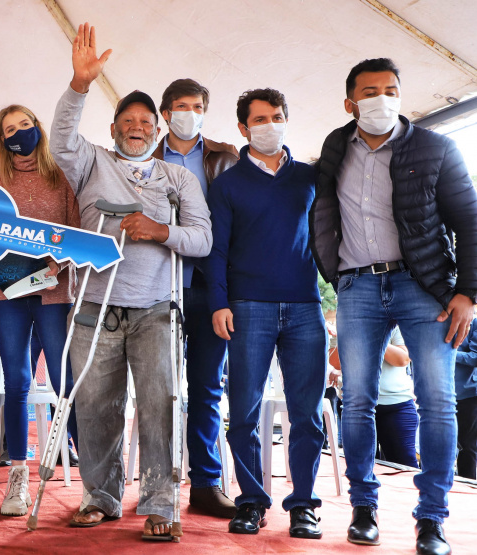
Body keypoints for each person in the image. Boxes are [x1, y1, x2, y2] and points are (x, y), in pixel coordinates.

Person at [49, 23, 211, 540]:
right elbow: (61, 138)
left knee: (160, 403)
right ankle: (100, 495)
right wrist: (79, 84)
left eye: (145, 121)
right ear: (115, 126)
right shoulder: (90, 161)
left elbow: (202, 239)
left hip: (155, 310)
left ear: (158, 130)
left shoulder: (177, 178)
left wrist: (162, 230)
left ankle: (162, 501)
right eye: (127, 120)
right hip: (93, 305)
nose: (136, 127)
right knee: (96, 406)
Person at [310, 58, 477, 555]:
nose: (381, 98)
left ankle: (432, 520)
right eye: (369, 91)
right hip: (358, 287)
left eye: (390, 89)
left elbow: (469, 220)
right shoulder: (335, 147)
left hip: (423, 288)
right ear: (350, 102)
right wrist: (334, 275)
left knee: (437, 402)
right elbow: (322, 211)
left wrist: (467, 293)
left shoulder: (435, 148)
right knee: (357, 401)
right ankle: (364, 509)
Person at [206, 88, 326, 539]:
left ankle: (303, 506)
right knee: (244, 412)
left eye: (277, 116)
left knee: (307, 414)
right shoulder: (228, 185)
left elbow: (327, 238)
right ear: (243, 128)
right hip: (246, 308)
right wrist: (219, 302)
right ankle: (251, 501)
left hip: (305, 307)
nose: (269, 125)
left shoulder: (310, 178)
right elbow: (215, 252)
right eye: (260, 119)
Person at [0, 105, 81, 516]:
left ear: (37, 128)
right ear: (1, 137)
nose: (18, 133)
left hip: (52, 292)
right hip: (7, 293)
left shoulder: (58, 178)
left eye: (24, 125)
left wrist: (57, 263)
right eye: (9, 129)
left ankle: (92, 474)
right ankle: (18, 477)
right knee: (16, 381)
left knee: (67, 381)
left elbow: (74, 232)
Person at [150, 78, 239, 518]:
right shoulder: (145, 158)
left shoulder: (224, 156)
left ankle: (205, 483)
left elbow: (236, 222)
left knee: (205, 387)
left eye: (198, 105)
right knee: (158, 389)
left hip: (210, 286)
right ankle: (157, 487)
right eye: (181, 106)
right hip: (156, 285)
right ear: (165, 114)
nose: (190, 112)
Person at [330, 325, 419, 467]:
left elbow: (403, 359)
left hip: (396, 405)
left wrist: (372, 335)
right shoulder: (346, 320)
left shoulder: (396, 320)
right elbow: (335, 362)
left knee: (404, 466)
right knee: (360, 467)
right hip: (356, 405)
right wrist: (351, 335)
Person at [454, 310, 477, 479]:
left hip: (467, 394)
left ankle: (467, 486)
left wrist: (448, 352)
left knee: (467, 446)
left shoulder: (474, 321)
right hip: (439, 391)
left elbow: (474, 358)